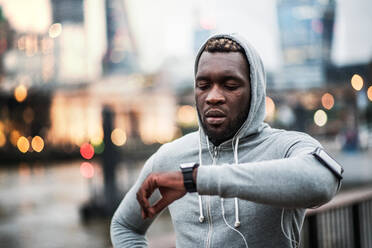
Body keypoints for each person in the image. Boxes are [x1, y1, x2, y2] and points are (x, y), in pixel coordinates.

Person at [110, 33, 342, 248]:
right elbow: (124, 226)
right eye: (203, 86)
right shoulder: (169, 157)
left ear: (255, 91)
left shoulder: (285, 147)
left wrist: (197, 179)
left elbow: (323, 182)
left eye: (230, 86)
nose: (213, 97)